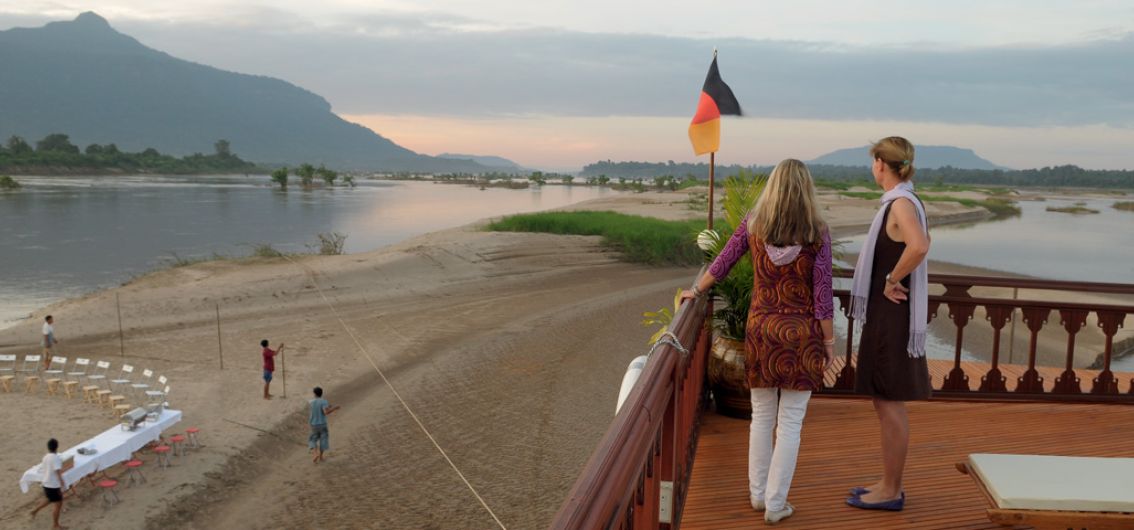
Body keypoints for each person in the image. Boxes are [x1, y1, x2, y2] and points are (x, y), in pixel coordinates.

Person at [681, 159, 834, 525]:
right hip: (802, 335)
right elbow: (823, 293)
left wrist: (695, 290)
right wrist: (829, 341)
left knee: (761, 416)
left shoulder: (754, 225)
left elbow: (722, 263)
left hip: (762, 330)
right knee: (791, 422)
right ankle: (776, 503)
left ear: (774, 187)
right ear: (806, 190)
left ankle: (757, 493)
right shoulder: (817, 231)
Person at [845, 137, 931, 512]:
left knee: (890, 403)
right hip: (889, 317)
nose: (872, 167)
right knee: (885, 401)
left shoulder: (899, 203)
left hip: (893, 318)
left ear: (881, 163)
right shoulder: (903, 200)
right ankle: (887, 482)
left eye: (873, 161)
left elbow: (920, 245)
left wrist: (891, 279)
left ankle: (892, 490)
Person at [30, 438, 66, 530]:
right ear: (57, 447)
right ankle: (55, 525)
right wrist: (62, 482)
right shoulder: (56, 458)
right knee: (58, 504)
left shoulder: (45, 457)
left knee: (50, 499)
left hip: (46, 483)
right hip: (53, 485)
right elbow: (57, 471)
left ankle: (35, 510)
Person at [308, 386, 340, 463]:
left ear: (314, 394)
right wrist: (334, 408)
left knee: (313, 439)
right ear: (321, 393)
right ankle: (321, 456)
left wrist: (328, 406)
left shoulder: (311, 402)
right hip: (322, 424)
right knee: (323, 440)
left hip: (313, 424)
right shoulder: (324, 401)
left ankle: (315, 453)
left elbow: (317, 408)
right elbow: (325, 412)